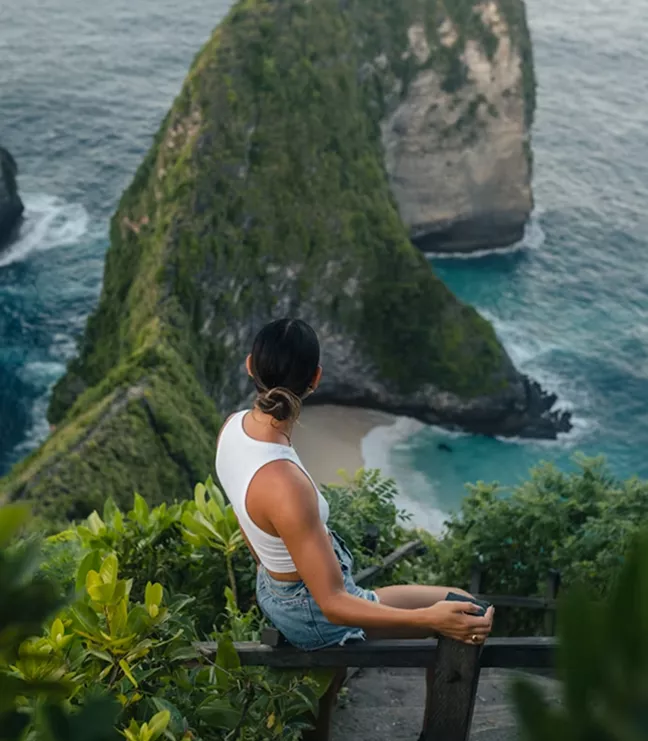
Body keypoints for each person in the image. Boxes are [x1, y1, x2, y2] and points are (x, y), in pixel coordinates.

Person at [216, 318, 494, 651]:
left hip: (277, 590)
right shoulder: (285, 484)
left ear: (249, 365)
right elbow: (333, 605)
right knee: (467, 609)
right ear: (316, 378)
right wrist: (430, 619)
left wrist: (275, 570)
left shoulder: (231, 428)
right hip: (316, 613)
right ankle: (444, 704)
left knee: (460, 605)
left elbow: (245, 518)